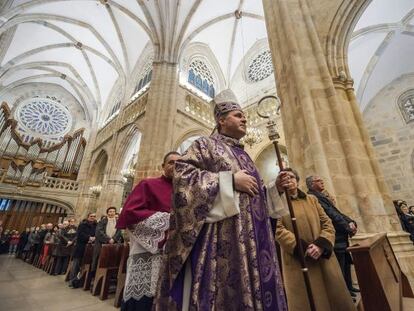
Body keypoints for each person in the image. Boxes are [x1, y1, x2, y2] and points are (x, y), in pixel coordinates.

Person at [154, 90, 287, 310]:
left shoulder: (245, 155)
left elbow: (254, 195)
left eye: (244, 115)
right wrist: (229, 181)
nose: (244, 118)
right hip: (224, 238)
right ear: (221, 120)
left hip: (253, 237)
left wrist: (274, 190)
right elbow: (183, 176)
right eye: (238, 115)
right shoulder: (205, 145)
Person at [275, 168, 356, 311]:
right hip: (299, 259)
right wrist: (305, 248)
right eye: (284, 178)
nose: (289, 180)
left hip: (322, 256)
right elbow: (277, 229)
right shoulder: (277, 204)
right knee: (309, 300)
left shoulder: (311, 199)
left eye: (292, 177)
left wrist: (320, 245)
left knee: (334, 299)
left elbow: (327, 223)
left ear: (297, 180)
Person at [116, 151, 180, 311]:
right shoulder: (148, 185)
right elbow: (130, 213)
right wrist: (170, 221)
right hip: (147, 252)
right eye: (171, 162)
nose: (176, 166)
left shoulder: (184, 191)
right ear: (163, 166)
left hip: (174, 255)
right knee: (143, 301)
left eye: (180, 163)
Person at [306, 175, 359, 298]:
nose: (322, 181)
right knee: (339, 265)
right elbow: (330, 215)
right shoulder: (313, 197)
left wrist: (351, 222)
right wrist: (347, 227)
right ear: (312, 184)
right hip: (335, 235)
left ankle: (349, 286)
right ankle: (343, 292)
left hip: (342, 234)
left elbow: (337, 212)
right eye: (318, 180)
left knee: (346, 262)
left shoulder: (322, 196)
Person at [91, 207, 123, 276]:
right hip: (101, 244)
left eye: (113, 211)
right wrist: (108, 239)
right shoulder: (103, 221)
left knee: (111, 261)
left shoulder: (117, 222)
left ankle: (110, 276)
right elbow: (99, 232)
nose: (112, 213)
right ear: (107, 213)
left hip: (113, 244)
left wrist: (113, 239)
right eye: (110, 211)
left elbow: (119, 231)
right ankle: (96, 275)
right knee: (99, 260)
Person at [68, 213, 97, 288]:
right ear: (88, 217)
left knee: (87, 265)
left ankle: (82, 281)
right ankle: (72, 281)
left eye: (94, 216)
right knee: (76, 265)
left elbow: (97, 234)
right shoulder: (82, 225)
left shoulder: (96, 225)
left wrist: (94, 238)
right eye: (91, 216)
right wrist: (89, 238)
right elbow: (80, 234)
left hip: (90, 248)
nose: (92, 218)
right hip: (80, 246)